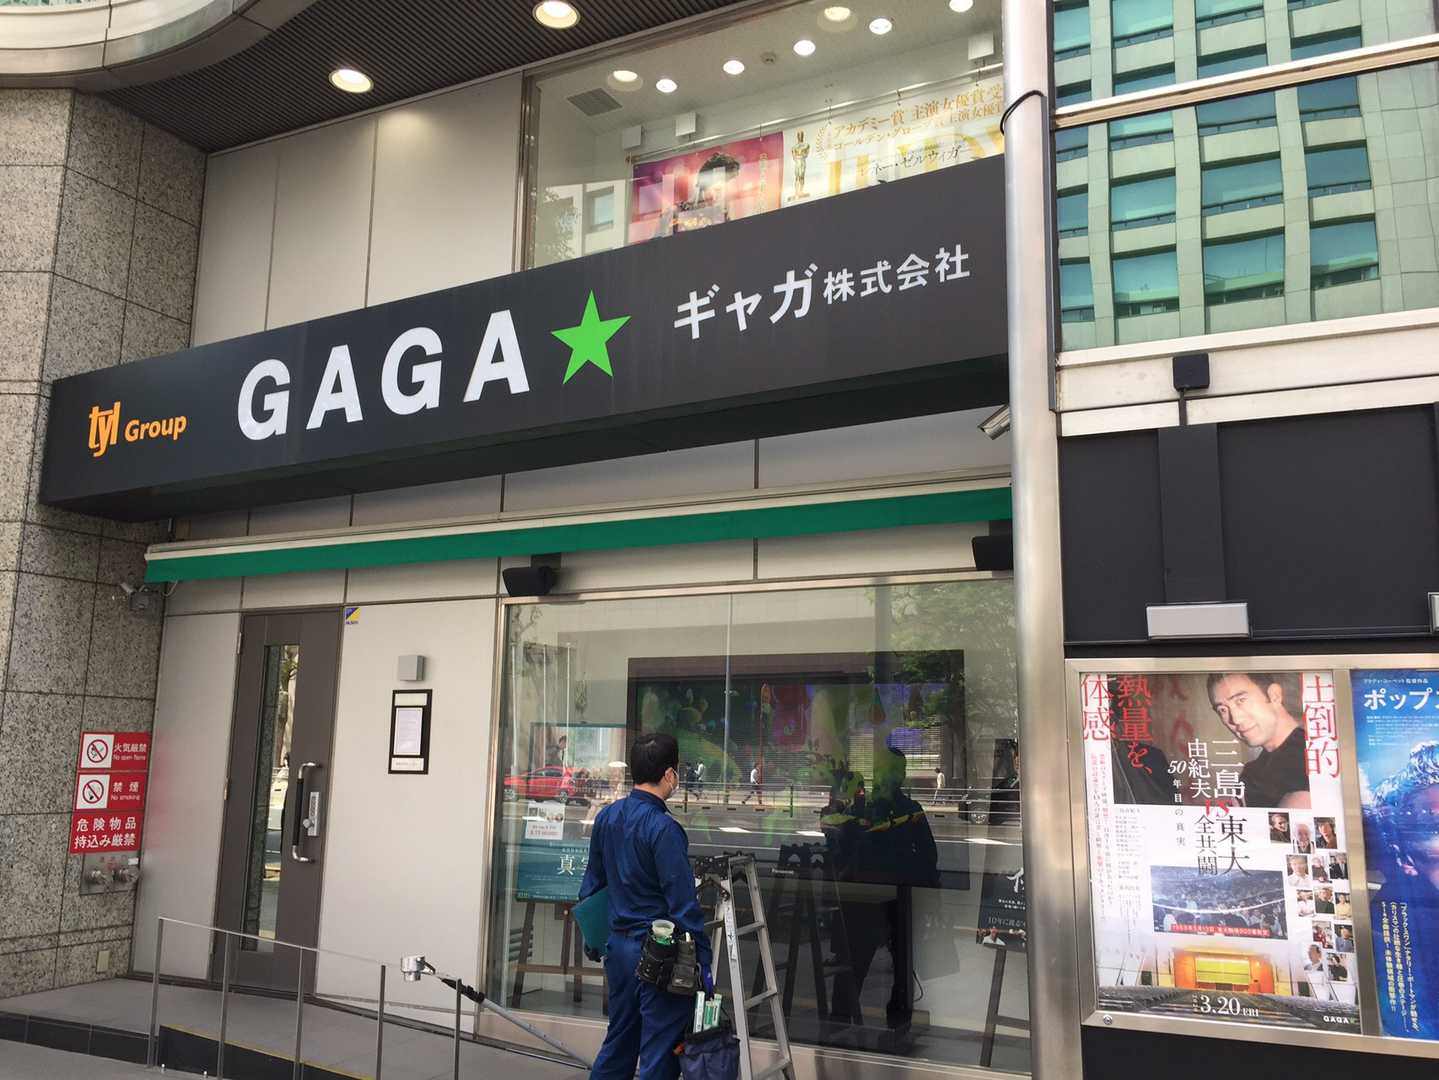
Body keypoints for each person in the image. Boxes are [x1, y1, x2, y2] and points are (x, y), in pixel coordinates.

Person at [579, 732, 712, 1080]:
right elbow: (683, 905)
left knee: (619, 1042)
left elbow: (592, 885)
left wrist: (593, 938)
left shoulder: (607, 818)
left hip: (618, 950)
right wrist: (704, 962)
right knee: (659, 1053)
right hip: (659, 955)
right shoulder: (664, 829)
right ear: (669, 774)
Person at [1206, 673, 1310, 808]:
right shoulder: (1252, 772)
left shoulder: (1313, 758)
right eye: (1222, 710)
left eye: (1241, 700)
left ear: (1274, 695)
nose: (1236, 719)